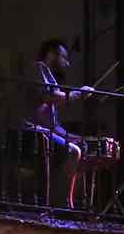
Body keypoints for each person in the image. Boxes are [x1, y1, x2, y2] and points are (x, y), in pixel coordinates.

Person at [20, 38, 95, 209]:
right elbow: (49, 97)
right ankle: (60, 206)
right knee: (73, 152)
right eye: (64, 57)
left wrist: (74, 137)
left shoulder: (49, 76)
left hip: (42, 132)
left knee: (80, 147)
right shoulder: (38, 68)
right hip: (29, 133)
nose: (67, 64)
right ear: (51, 54)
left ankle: (69, 202)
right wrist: (78, 94)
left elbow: (52, 126)